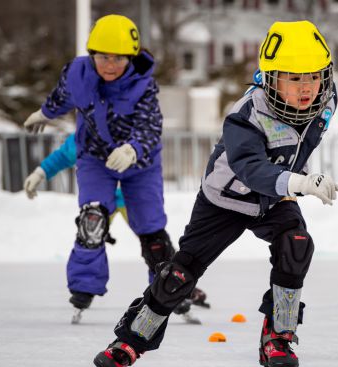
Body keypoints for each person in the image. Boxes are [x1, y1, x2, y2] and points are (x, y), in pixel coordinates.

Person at [91, 20, 338, 367]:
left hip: (273, 198)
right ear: (270, 78)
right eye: (294, 78)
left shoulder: (326, 100)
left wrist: (291, 181)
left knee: (296, 246)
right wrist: (300, 182)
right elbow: (251, 169)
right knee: (178, 277)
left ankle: (279, 338)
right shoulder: (245, 116)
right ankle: (129, 341)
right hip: (225, 199)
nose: (307, 89)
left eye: (313, 78)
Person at [23, 15, 207, 320]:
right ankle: (84, 285)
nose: (110, 65)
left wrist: (133, 148)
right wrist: (45, 113)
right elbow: (63, 96)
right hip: (95, 159)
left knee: (151, 230)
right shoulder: (78, 73)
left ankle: (169, 288)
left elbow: (150, 126)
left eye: (119, 58)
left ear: (130, 57)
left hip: (141, 164)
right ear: (92, 54)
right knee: (92, 219)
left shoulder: (143, 84)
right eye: (103, 57)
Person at [23, 133, 209, 314]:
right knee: (90, 230)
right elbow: (63, 156)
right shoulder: (85, 135)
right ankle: (84, 285)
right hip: (101, 201)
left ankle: (172, 286)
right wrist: (41, 172)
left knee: (156, 242)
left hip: (134, 199)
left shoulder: (137, 132)